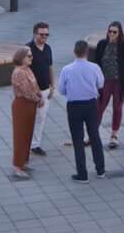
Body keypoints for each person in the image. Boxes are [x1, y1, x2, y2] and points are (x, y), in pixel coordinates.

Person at [58, 40, 108, 181]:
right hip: (91, 104)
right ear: (87, 52)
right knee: (94, 136)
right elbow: (101, 84)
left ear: (74, 52)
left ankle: (82, 174)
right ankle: (100, 170)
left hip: (74, 106)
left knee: (77, 140)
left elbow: (61, 90)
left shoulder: (66, 69)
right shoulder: (94, 67)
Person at [90, 20, 124, 149]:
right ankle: (93, 134)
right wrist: (95, 82)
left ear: (119, 33)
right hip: (104, 81)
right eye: (110, 31)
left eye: (114, 32)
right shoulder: (102, 44)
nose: (111, 34)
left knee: (117, 107)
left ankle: (114, 135)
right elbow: (96, 63)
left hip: (118, 82)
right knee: (99, 107)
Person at [9, 48, 41, 180]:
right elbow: (26, 91)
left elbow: (34, 85)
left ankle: (23, 162)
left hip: (31, 104)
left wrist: (39, 95)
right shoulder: (18, 73)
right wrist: (38, 99)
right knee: (20, 135)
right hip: (22, 104)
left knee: (28, 133)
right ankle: (17, 165)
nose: (31, 58)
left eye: (31, 56)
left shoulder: (28, 69)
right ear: (21, 57)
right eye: (29, 56)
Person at [26, 21, 55, 156]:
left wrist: (53, 85)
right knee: (28, 118)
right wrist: (36, 92)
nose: (44, 37)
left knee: (41, 118)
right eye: (42, 35)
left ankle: (35, 144)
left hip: (45, 89)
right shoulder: (28, 49)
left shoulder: (48, 48)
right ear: (34, 34)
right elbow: (26, 72)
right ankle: (26, 143)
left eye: (47, 35)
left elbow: (50, 66)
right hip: (31, 91)